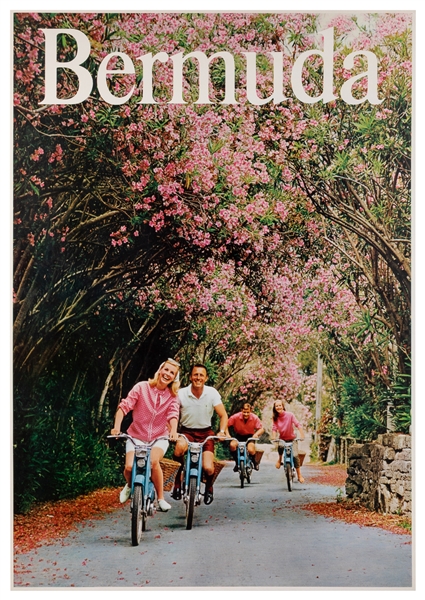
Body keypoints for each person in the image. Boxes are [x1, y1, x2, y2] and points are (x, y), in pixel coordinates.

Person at [111, 358, 181, 512]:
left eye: (172, 373)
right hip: (135, 435)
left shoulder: (172, 396)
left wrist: (174, 431)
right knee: (129, 467)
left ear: (174, 378)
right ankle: (130, 486)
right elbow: (124, 406)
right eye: (166, 370)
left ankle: (161, 498)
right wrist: (116, 427)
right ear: (160, 370)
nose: (167, 374)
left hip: (159, 437)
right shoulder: (142, 387)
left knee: (153, 462)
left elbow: (173, 414)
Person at [172, 363, 228, 505]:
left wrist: (221, 432)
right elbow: (171, 413)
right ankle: (177, 482)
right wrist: (171, 430)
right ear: (190, 377)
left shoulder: (212, 393)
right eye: (195, 374)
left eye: (201, 375)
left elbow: (223, 415)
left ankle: (209, 487)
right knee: (179, 449)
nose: (198, 377)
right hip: (186, 431)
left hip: (206, 433)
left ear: (206, 378)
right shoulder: (181, 393)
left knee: (208, 467)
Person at [271, 400, 305, 483]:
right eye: (277, 406)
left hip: (292, 439)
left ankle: (299, 475)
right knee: (280, 446)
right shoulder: (275, 417)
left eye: (280, 405)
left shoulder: (290, 415)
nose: (278, 407)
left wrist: (302, 434)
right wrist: (274, 437)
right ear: (275, 408)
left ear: (283, 406)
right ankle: (279, 460)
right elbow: (274, 428)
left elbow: (298, 424)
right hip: (282, 439)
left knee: (295, 456)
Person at [227, 403, 264, 471]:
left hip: (250, 436)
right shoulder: (235, 417)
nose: (246, 414)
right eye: (244, 412)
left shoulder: (254, 417)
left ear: (250, 411)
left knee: (250, 449)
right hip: (239, 435)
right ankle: (237, 462)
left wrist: (256, 434)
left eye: (248, 412)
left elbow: (261, 429)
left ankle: (254, 462)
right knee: (232, 445)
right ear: (241, 410)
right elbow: (226, 424)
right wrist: (227, 434)